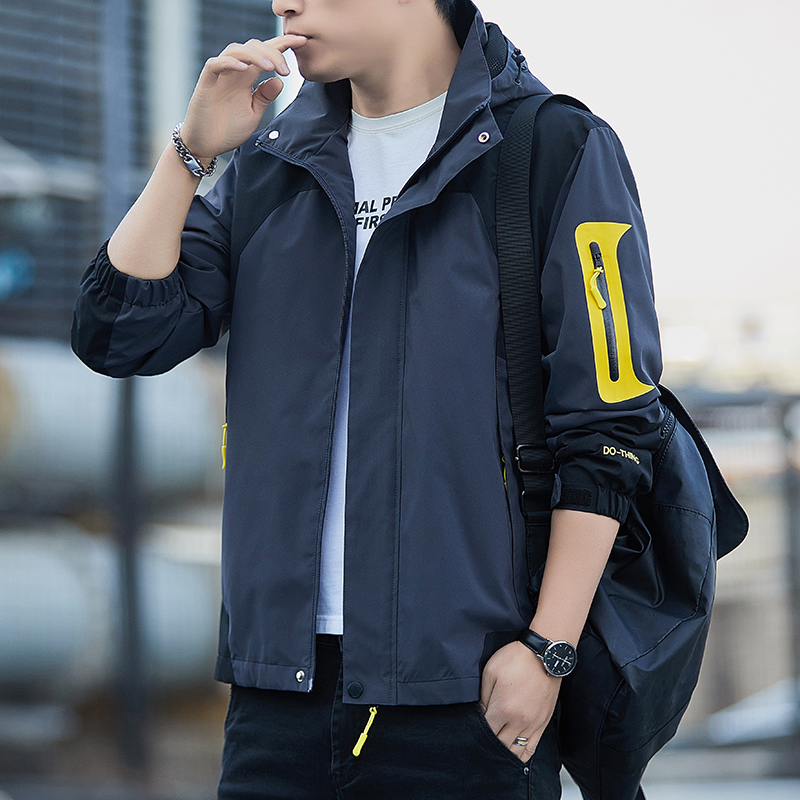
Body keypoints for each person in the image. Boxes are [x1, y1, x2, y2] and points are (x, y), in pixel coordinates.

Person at [72, 0, 664, 797]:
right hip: (277, 694)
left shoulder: (554, 149)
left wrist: (547, 651)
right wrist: (191, 153)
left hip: (469, 692)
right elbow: (119, 335)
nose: (284, 3)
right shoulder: (271, 163)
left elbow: (610, 429)